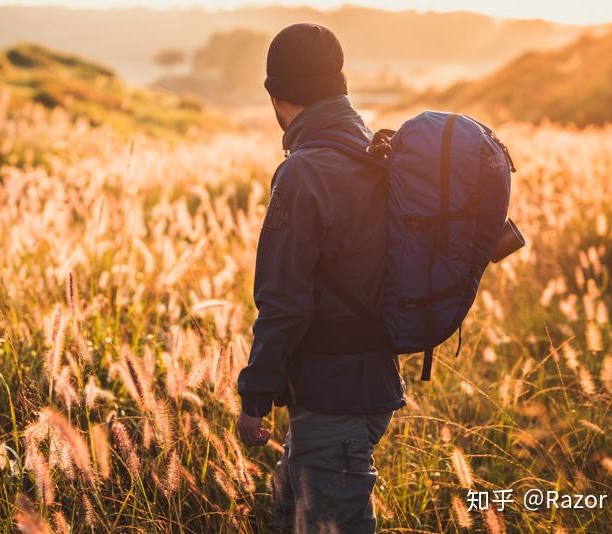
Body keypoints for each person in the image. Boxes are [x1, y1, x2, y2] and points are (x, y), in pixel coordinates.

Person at [236, 23, 407, 534]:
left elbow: (284, 302)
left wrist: (254, 399)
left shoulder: (303, 173)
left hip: (333, 397)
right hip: (371, 385)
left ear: (277, 95)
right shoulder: (377, 154)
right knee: (292, 514)